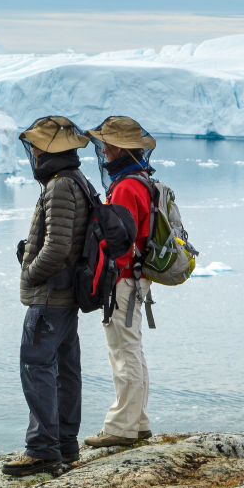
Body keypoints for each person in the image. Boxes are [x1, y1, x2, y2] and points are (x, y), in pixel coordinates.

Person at [2, 116, 92, 477]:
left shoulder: (58, 186)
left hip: (50, 297)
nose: (35, 151)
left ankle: (42, 449)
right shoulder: (77, 180)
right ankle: (66, 445)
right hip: (66, 295)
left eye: (39, 145)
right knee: (66, 369)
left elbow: (56, 248)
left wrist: (29, 269)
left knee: (36, 366)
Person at [83, 116, 157, 447]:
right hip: (136, 278)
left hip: (125, 279)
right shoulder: (141, 180)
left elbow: (121, 240)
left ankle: (120, 428)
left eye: (109, 144)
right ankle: (137, 421)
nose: (105, 150)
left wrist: (108, 276)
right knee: (133, 349)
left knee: (123, 350)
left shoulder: (126, 186)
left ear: (119, 148)